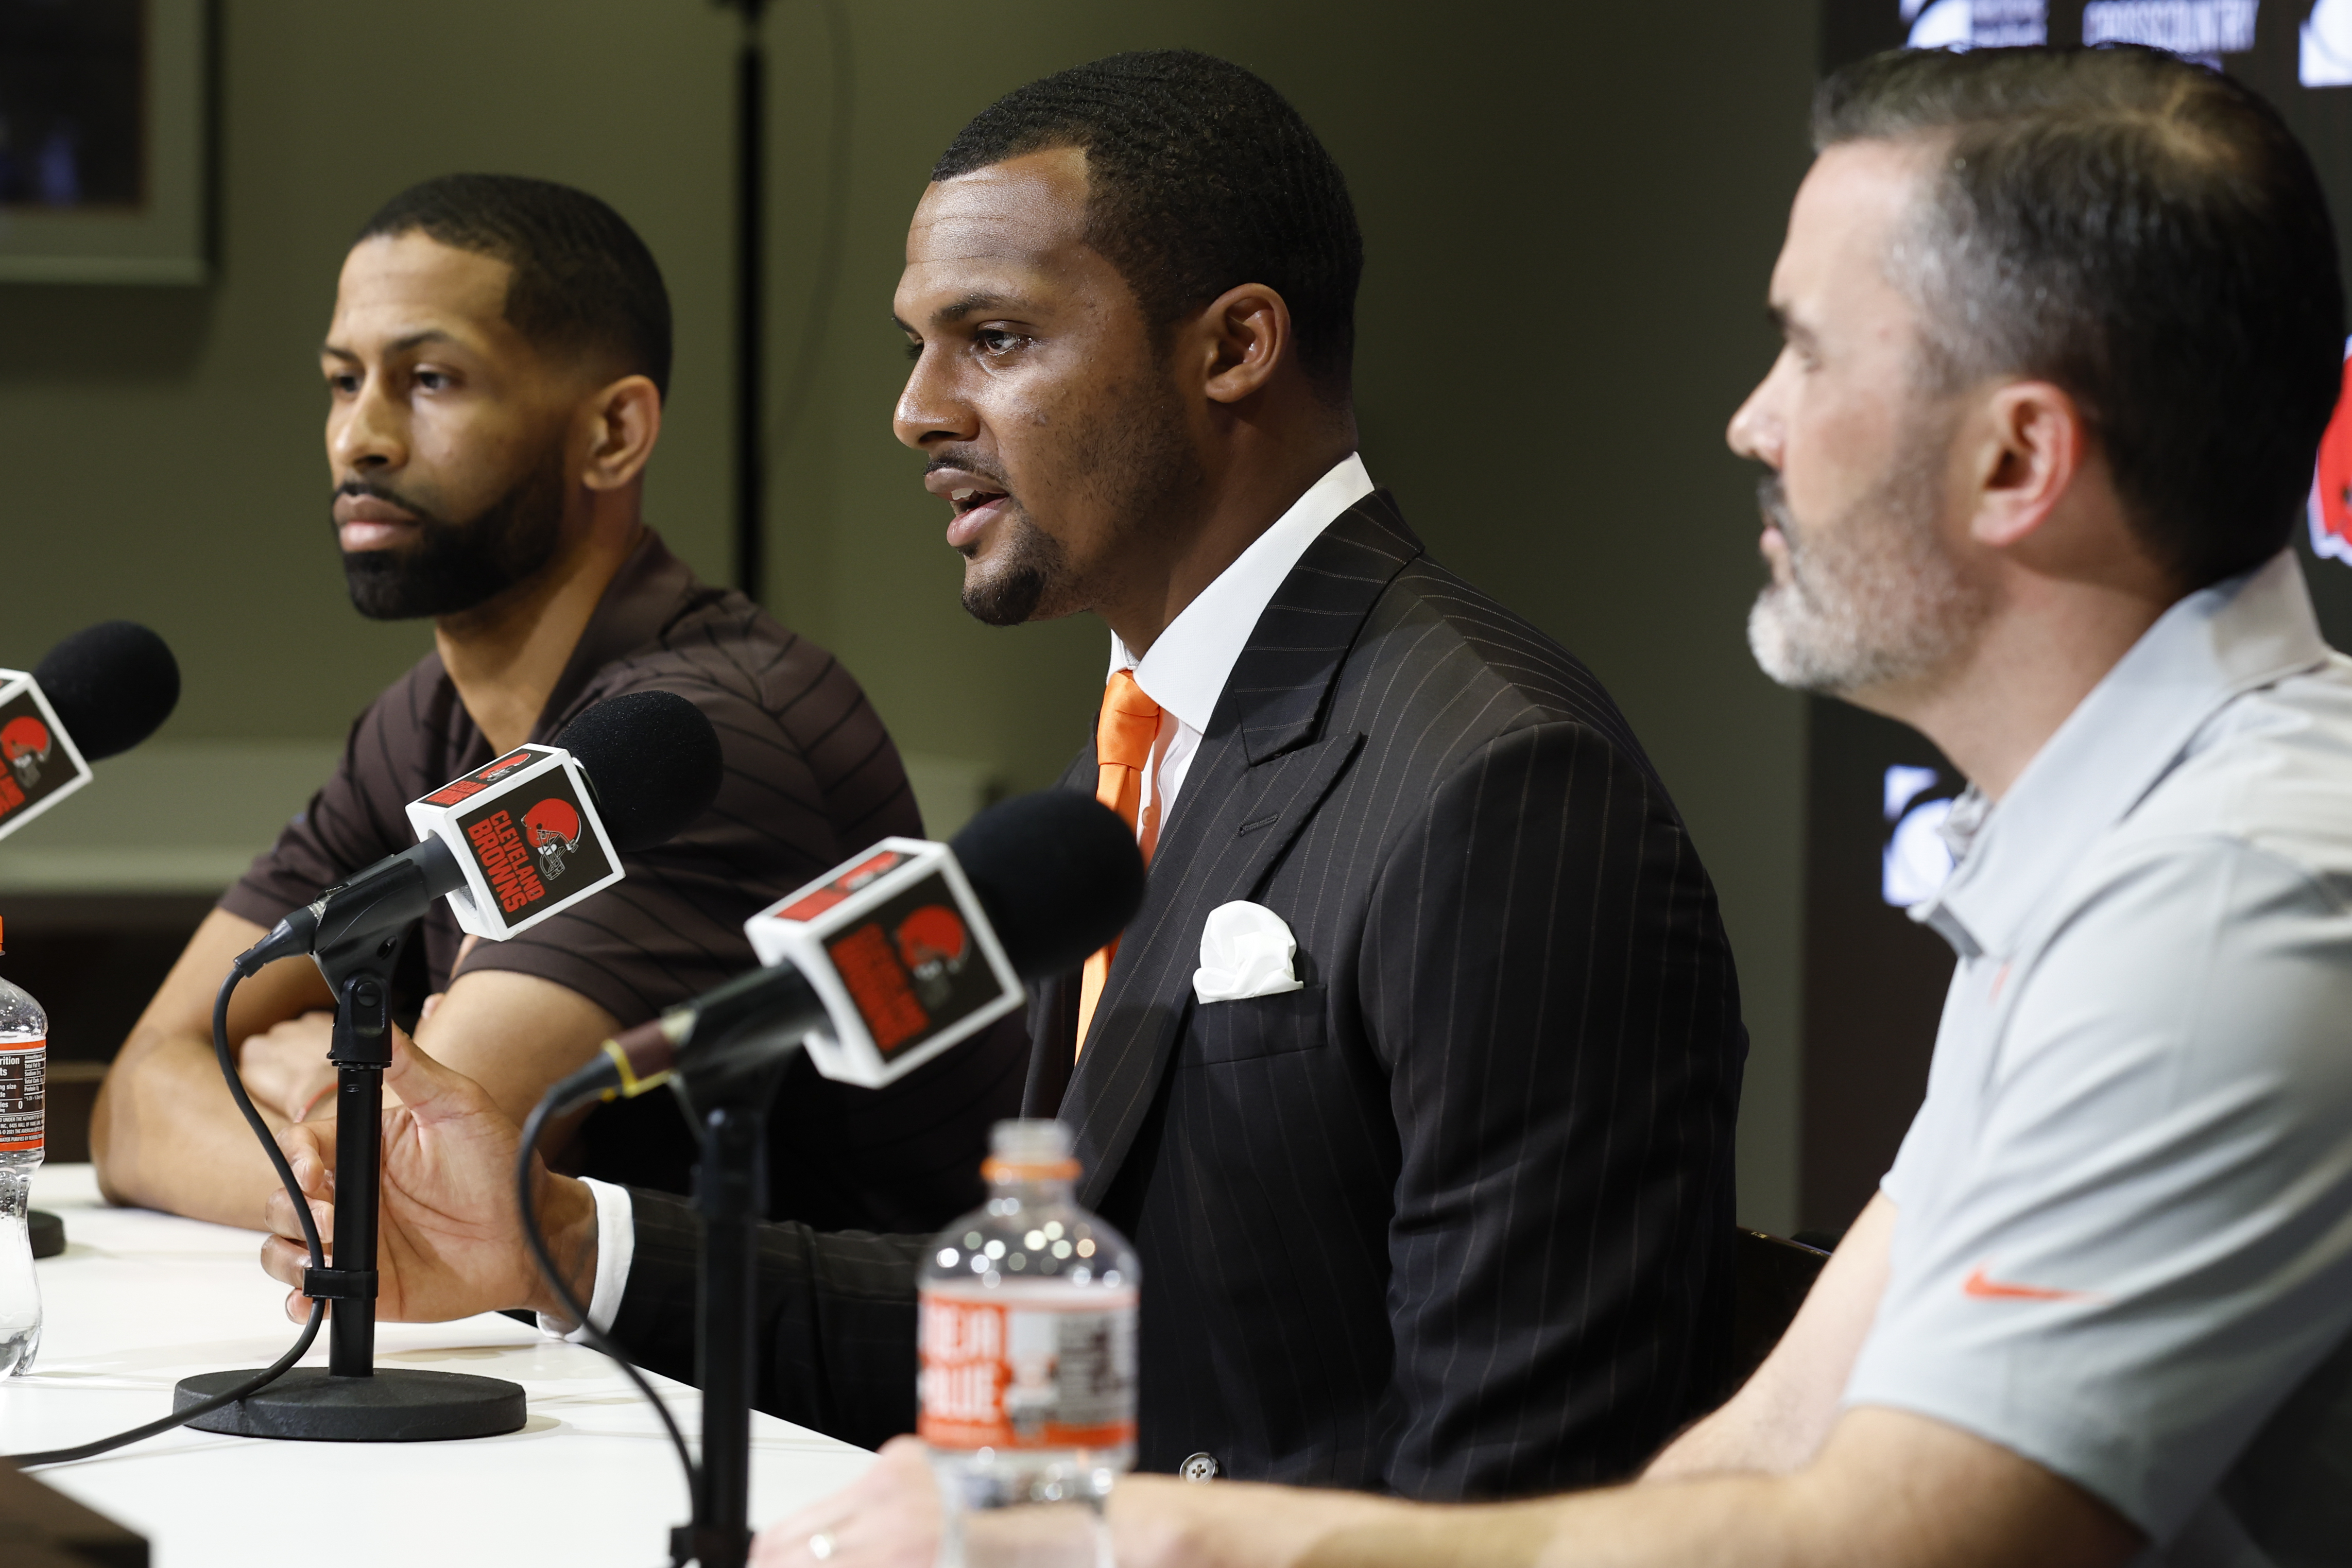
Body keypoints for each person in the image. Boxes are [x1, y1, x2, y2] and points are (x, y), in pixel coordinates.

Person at [726, 43, 2352, 1568]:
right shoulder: (2116, 844)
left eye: (1807, 352)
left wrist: (1134, 1532)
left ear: (2018, 462)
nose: (1751, 421)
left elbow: (1883, 1531)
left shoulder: (2221, 899)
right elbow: (1771, 1441)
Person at [259, 53, 1750, 1492]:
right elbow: (1033, 1331)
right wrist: (562, 1235)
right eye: (918, 344)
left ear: (1233, 346)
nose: (917, 408)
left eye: (996, 339)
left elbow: (1518, 1499)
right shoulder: (1142, 741)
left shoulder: (1505, 785)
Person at [94, 174, 1023, 1241]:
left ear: (614, 433)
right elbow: (137, 1096)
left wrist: (317, 1089)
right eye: (344, 382)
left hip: (833, 1392)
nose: (361, 439)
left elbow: (416, 1195)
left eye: (430, 379)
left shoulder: (697, 739)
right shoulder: (424, 719)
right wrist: (335, 1130)